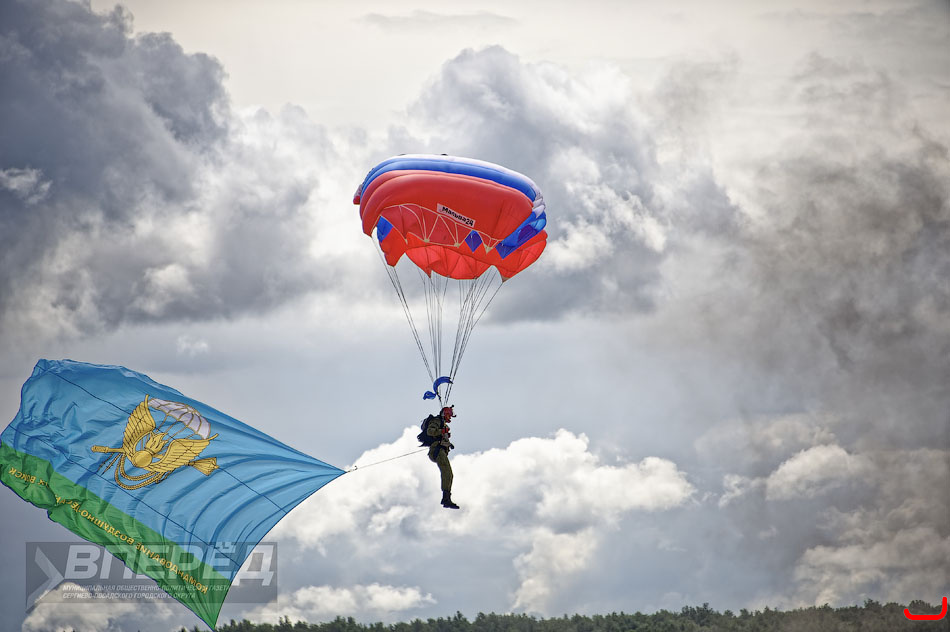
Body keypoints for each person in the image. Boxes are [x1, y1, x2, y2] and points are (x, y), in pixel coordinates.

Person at [427, 405, 459, 509]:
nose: (450, 418)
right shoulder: (437, 421)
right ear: (446, 414)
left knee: (449, 474)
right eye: (449, 415)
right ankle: (446, 499)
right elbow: (430, 431)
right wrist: (442, 431)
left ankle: (446, 498)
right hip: (437, 450)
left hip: (441, 451)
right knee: (447, 472)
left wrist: (449, 443)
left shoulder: (443, 424)